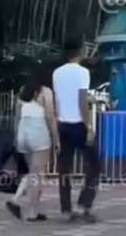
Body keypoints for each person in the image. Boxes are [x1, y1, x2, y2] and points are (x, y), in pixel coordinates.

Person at [53, 42, 102, 223]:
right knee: (94, 166)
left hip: (63, 124)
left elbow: (59, 100)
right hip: (78, 124)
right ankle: (84, 204)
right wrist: (89, 126)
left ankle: (66, 209)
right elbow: (81, 101)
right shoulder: (82, 72)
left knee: (64, 168)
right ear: (80, 52)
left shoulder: (57, 72)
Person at [6, 71, 60, 222]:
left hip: (23, 132)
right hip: (38, 133)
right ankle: (17, 201)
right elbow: (50, 116)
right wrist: (56, 139)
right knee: (36, 175)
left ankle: (35, 211)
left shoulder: (23, 90)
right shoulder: (46, 92)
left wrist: (16, 137)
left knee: (34, 174)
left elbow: (17, 117)